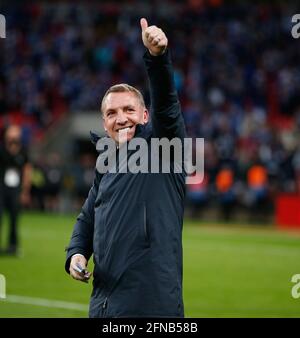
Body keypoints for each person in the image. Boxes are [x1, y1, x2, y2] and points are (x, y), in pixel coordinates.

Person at [65, 18, 187, 318]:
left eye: (128, 110)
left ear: (145, 115)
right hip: (104, 303)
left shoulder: (164, 149)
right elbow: (88, 216)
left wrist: (157, 58)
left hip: (152, 305)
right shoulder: (105, 162)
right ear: (104, 122)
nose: (121, 118)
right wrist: (76, 253)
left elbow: (167, 107)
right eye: (111, 112)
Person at [0, 125, 32, 255]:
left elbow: (27, 171)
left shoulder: (23, 151)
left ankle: (13, 245)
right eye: (11, 132)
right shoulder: (1, 150)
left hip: (15, 189)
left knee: (14, 216)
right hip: (1, 188)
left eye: (16, 132)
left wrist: (25, 191)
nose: (14, 135)